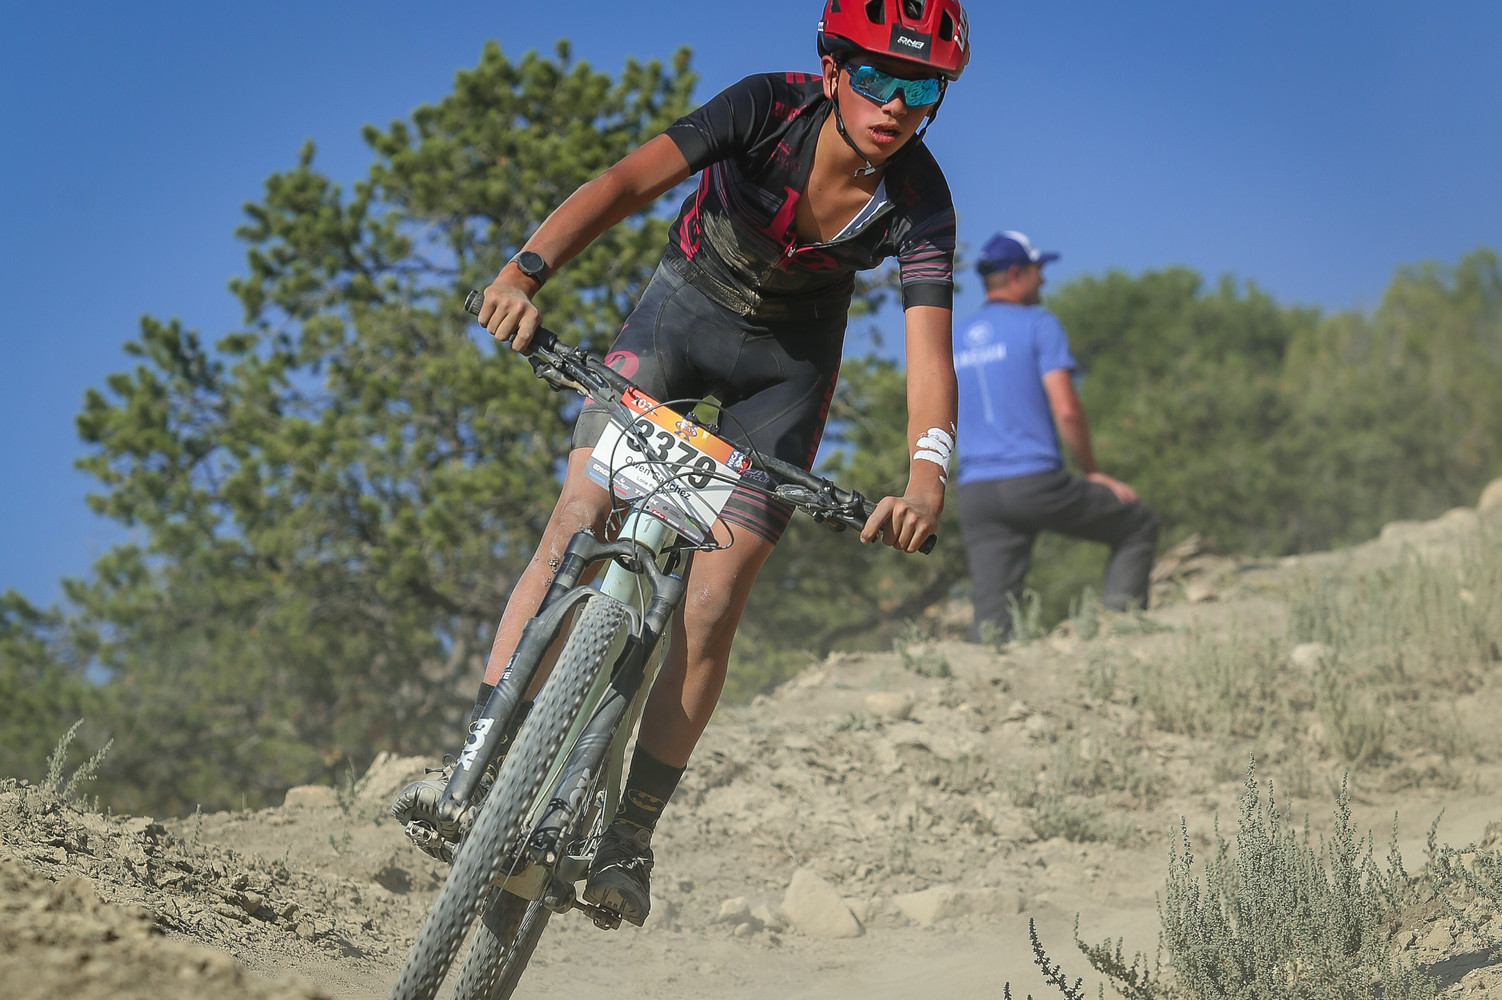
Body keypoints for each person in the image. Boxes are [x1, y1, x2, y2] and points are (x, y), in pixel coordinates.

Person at [393, 0, 971, 928]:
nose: (895, 103)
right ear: (832, 71)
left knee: (712, 599)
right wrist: (523, 273)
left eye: (920, 86)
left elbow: (929, 354)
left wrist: (925, 481)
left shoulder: (921, 200)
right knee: (575, 518)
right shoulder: (765, 106)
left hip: (784, 373)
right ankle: (474, 764)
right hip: (681, 315)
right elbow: (627, 182)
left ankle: (629, 836)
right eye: (874, 76)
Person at [953, 231, 1158, 643]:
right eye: (1038, 270)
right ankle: (1121, 634)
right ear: (1017, 274)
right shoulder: (1039, 324)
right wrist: (1092, 471)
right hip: (1035, 483)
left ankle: (986, 677)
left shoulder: (952, 338)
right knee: (1137, 522)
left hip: (976, 493)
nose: (1044, 280)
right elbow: (1067, 409)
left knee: (992, 626)